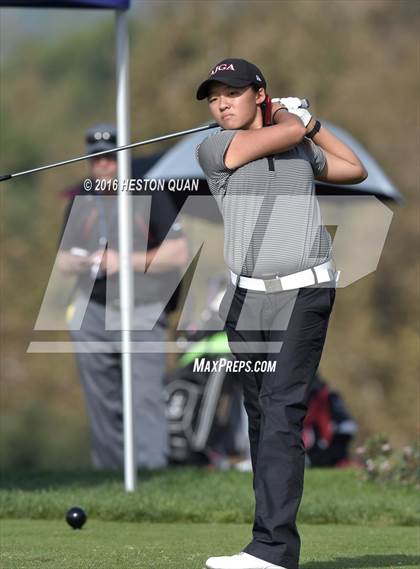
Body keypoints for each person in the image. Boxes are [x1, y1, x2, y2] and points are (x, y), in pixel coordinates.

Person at [195, 59, 367, 569]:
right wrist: (293, 120)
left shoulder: (297, 144)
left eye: (231, 93)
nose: (221, 103)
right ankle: (265, 544)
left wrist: (312, 128)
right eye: (213, 96)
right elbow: (255, 145)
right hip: (247, 300)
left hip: (304, 294)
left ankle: (273, 551)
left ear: (258, 94)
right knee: (260, 418)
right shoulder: (213, 146)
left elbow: (352, 169)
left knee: (280, 416)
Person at [57, 123, 188, 470]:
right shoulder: (81, 201)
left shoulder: (150, 194)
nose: (103, 166)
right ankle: (109, 475)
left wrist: (123, 262)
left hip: (142, 309)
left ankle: (151, 473)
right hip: (93, 308)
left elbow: (177, 253)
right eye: (96, 160)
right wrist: (79, 260)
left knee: (143, 396)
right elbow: (62, 259)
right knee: (101, 398)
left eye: (110, 158)